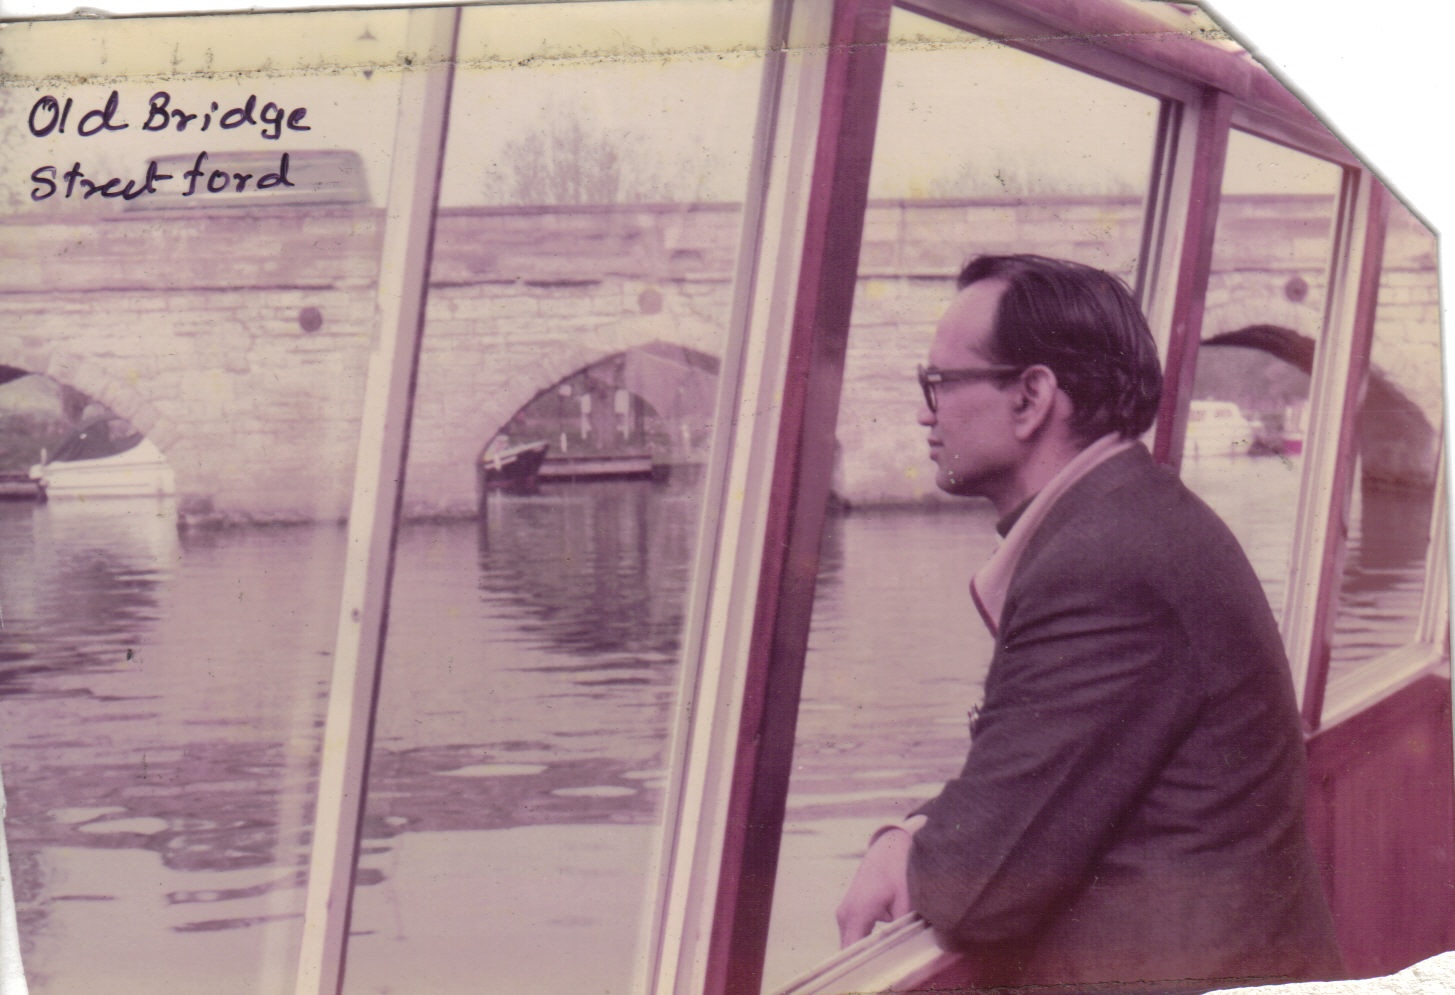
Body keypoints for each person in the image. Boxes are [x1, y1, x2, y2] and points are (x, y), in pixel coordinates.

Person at [834, 254, 1342, 993]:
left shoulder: (1100, 564)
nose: (923, 412)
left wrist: (900, 844)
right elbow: (1033, 778)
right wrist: (915, 832)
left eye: (938, 382)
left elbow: (976, 885)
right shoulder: (1132, 519)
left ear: (1031, 397)